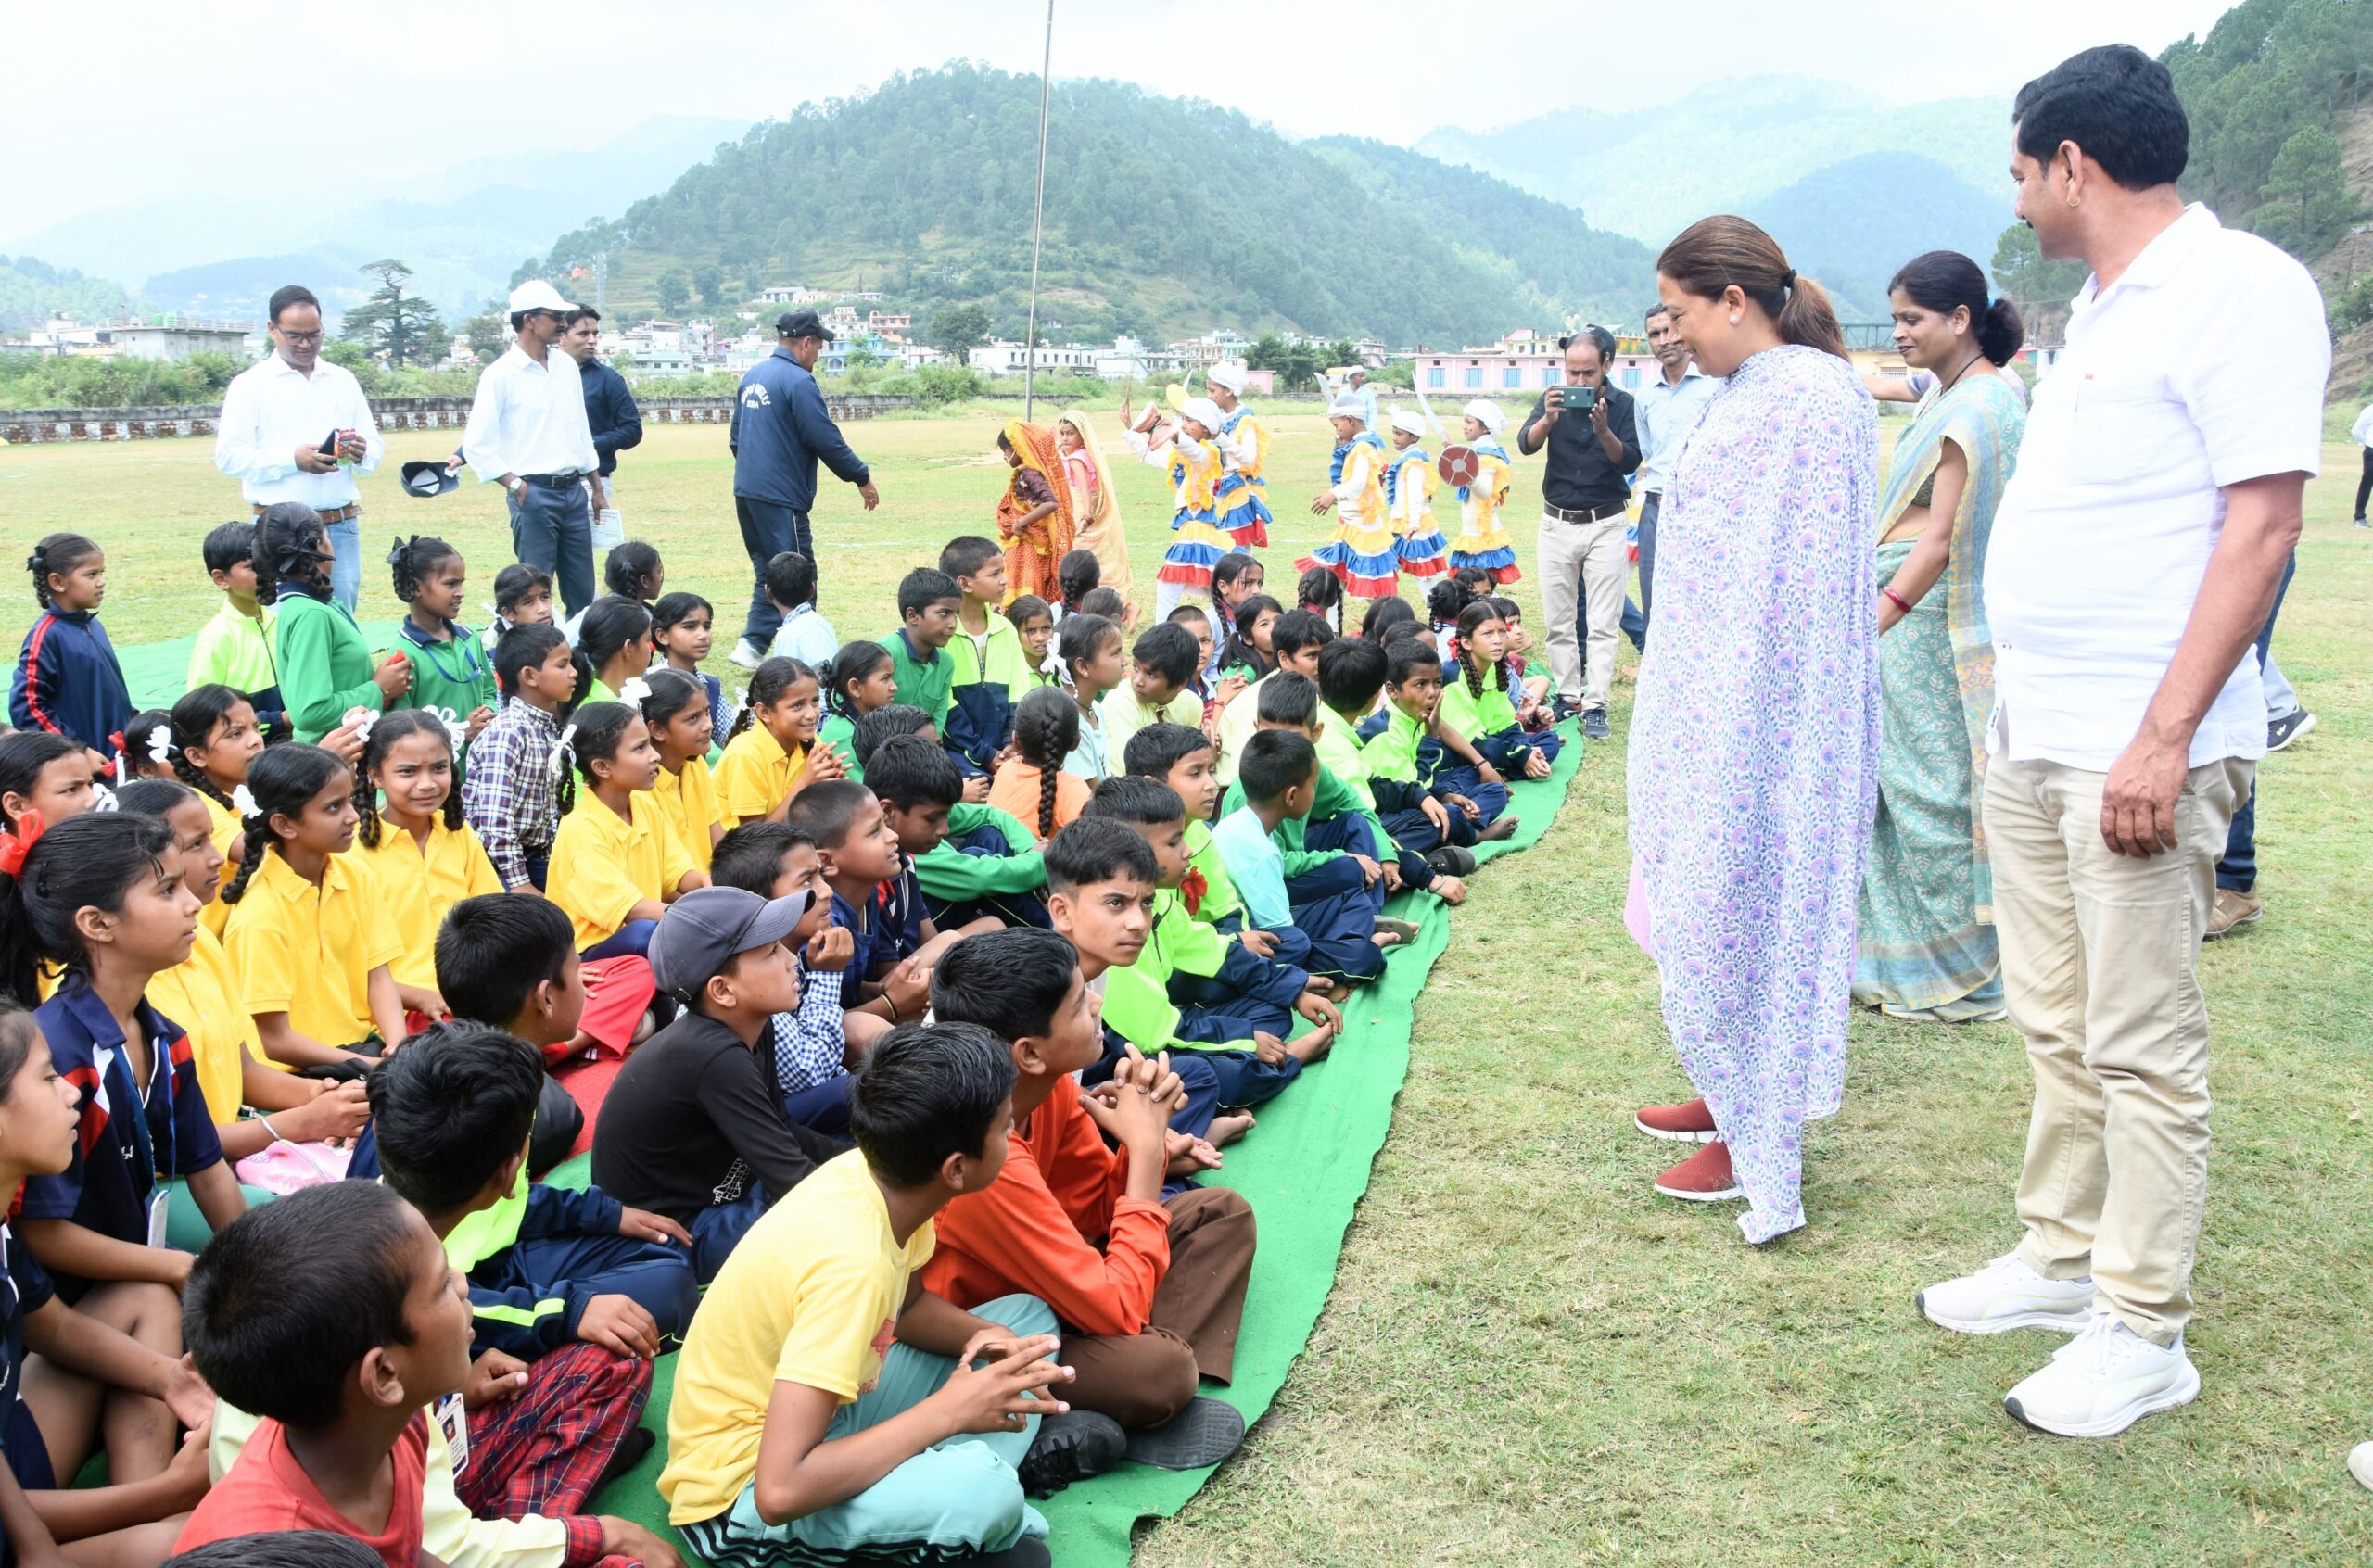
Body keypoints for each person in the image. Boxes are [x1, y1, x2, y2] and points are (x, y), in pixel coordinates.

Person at [1916, 45, 2328, 1438]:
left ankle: (2143, 1326)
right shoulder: (2099, 306)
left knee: (2142, 1038)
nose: (2019, 201)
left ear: (2073, 165)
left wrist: (2164, 740)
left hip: (2137, 744)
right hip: (2038, 727)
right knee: (2053, 1014)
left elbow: (2261, 525)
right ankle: (2059, 1252)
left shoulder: (2244, 290)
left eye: (2024, 173)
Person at [1626, 215, 1878, 1237]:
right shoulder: (1751, 393)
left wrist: (1741, 700)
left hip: (1763, 709)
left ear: (1734, 301)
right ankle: (1729, 1089)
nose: (1675, 335)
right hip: (1709, 692)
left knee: (1748, 903)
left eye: (1682, 313)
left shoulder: (1812, 400)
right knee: (1698, 897)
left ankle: (1757, 1134)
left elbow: (1798, 584)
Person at [659, 1022, 1071, 1568]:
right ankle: (977, 1494)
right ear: (956, 1169)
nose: (1014, 1129)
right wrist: (949, 1412)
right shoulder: (853, 1265)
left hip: (827, 1416)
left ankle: (956, 1487)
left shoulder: (877, 1176)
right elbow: (779, 1492)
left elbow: (914, 1308)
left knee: (1024, 1328)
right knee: (983, 1495)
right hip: (740, 1496)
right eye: (1003, 1126)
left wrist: (989, 1338)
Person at [925, 929, 1254, 1463]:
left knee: (1219, 1214)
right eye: (1080, 1003)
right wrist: (1148, 1155)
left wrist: (1138, 1134)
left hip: (1067, 1285)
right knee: (1158, 1371)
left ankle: (1130, 1382)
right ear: (1028, 1052)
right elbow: (1115, 1311)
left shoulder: (1050, 1086)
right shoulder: (983, 1158)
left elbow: (1096, 1211)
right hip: (998, 1330)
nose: (1098, 1002)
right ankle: (1138, 1384)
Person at [1853, 251, 2027, 1025]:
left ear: (1961, 319)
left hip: (1929, 627)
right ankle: (1909, 959)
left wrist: (1872, 620)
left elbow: (1939, 543)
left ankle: (1971, 976)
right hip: (1909, 624)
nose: (1899, 334)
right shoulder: (1953, 394)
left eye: (1912, 319)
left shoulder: (1979, 406)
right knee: (1899, 790)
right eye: (1894, 318)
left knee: (1935, 797)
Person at [173, 1182, 473, 1563]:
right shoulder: (283, 1550)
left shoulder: (388, 1422)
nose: (462, 1284)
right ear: (383, 1376)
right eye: (443, 1282)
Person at [367, 1022, 697, 1367]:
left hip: (506, 1262)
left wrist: (610, 1216)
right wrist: (568, 1311)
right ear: (508, 1172)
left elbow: (519, 1204)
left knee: (664, 1248)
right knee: (670, 1292)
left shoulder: (398, 1137)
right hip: (484, 1322)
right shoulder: (405, 1277)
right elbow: (468, 1308)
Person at [590, 887, 844, 1280]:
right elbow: (794, 1180)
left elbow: (783, 1131)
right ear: (723, 991)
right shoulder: (714, 1056)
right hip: (680, 1230)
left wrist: (866, 1160)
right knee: (821, 1230)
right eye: (771, 952)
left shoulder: (754, 1026)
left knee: (855, 1150)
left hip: (725, 1189)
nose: (793, 960)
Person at [222, 744, 409, 1072]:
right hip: (298, 1070)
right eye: (334, 807)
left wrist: (398, 1048)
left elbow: (378, 979)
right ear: (285, 825)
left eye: (350, 800)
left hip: (363, 1048)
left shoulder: (355, 875)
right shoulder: (258, 915)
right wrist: (373, 1067)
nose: (353, 815)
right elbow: (277, 1042)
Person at [213, 285, 382, 610]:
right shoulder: (250, 385)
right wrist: (292, 460)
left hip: (338, 524)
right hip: (280, 531)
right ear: (272, 330)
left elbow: (374, 448)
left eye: (313, 334)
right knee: (284, 619)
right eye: (294, 335)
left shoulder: (342, 380)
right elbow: (228, 457)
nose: (305, 344)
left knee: (341, 617)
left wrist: (363, 453)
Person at [730, 309, 880, 667]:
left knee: (770, 570)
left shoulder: (753, 375)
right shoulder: (798, 381)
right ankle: (803, 658)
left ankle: (751, 644)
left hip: (748, 492)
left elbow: (736, 439)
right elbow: (824, 437)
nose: (820, 354)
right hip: (781, 497)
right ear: (806, 343)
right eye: (819, 346)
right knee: (797, 574)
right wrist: (860, 476)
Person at [1517, 325, 1641, 741]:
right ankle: (1568, 696)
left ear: (1607, 364)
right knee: (1559, 619)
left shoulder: (1623, 405)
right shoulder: (1552, 400)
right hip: (1556, 522)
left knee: (1603, 622)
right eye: (1572, 372)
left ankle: (1597, 703)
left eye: (1588, 373)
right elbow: (1526, 444)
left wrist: (1604, 428)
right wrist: (1548, 420)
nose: (1579, 382)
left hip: (1605, 522)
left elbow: (1628, 462)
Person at [463, 281, 602, 617]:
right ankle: (534, 660)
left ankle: (581, 663)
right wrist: (517, 486)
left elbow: (580, 430)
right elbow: (477, 444)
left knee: (582, 589)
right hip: (533, 493)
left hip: (573, 490)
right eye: (555, 315)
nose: (563, 323)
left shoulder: (565, 366)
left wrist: (596, 487)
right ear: (529, 320)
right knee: (534, 592)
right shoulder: (499, 375)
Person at [546, 702, 709, 961]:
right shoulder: (581, 829)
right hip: (591, 954)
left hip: (649, 930)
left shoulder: (644, 804)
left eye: (649, 744)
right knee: (648, 933)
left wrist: (709, 888)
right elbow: (631, 910)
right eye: (640, 748)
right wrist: (698, 919)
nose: (654, 755)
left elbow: (678, 875)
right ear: (602, 767)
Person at [259, 503, 411, 747]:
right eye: (328, 536)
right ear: (319, 545)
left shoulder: (316, 604)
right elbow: (308, 712)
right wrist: (379, 688)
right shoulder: (310, 614)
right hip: (329, 761)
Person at [460, 624, 577, 892]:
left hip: (534, 854)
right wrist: (520, 884)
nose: (574, 672)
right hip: (493, 861)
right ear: (529, 676)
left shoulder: (546, 727)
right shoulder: (509, 733)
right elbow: (494, 824)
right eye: (563, 665)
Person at [1632, 303, 1724, 634]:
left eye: (1670, 330)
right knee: (1654, 596)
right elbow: (1649, 452)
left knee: (1704, 594)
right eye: (1654, 334)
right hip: (1656, 506)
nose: (1664, 340)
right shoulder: (1643, 396)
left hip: (1706, 506)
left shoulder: (1716, 385)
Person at [10, 534, 132, 783]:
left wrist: (132, 719)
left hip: (117, 759)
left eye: (102, 573)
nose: (101, 582)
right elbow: (28, 707)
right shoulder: (47, 636)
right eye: (91, 575)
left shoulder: (93, 625)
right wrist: (78, 750)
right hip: (88, 773)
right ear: (57, 582)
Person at [1126, 396, 1239, 624]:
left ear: (1206, 428)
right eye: (1184, 419)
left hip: (1200, 530)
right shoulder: (1183, 455)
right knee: (1196, 588)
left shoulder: (1211, 453)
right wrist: (1130, 428)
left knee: (1211, 590)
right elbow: (1152, 456)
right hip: (1191, 528)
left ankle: (1233, 629)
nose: (1185, 424)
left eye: (1190, 421)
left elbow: (1195, 454)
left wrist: (1175, 434)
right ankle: (1169, 633)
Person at [383, 536, 497, 752]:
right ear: (417, 587)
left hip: (476, 774)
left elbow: (489, 691)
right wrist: (461, 734)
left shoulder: (469, 639)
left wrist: (486, 714)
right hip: (433, 776)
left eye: (461, 583)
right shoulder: (405, 657)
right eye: (450, 584)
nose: (460, 592)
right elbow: (400, 732)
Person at [185, 521, 286, 739]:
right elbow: (201, 714)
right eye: (253, 566)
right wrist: (278, 721)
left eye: (267, 562)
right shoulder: (216, 637)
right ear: (221, 579)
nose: (266, 572)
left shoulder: (282, 623)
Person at [1301, 398, 1399, 602]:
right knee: (1333, 581)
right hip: (1351, 527)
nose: (1337, 432)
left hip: (1363, 530)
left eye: (1337, 426)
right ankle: (1333, 629)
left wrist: (1334, 494)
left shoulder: (1363, 448)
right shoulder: (1362, 445)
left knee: (1373, 589)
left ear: (1350, 420)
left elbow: (1358, 483)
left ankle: (1388, 627)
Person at [562, 305, 641, 502]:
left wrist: (593, 444)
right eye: (583, 334)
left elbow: (633, 430)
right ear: (561, 335)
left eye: (595, 334)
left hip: (593, 483)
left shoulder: (609, 379)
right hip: (545, 483)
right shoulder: (544, 376)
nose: (592, 340)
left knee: (592, 534)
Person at [995, 423, 1076, 608]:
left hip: (1029, 543)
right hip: (1027, 541)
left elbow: (1051, 503)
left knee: (1026, 584)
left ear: (1017, 448)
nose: (1005, 457)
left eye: (1006, 451)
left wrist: (1021, 521)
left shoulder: (1029, 473)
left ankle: (1024, 612)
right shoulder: (1028, 472)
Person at [1055, 413, 1131, 604]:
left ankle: (1090, 599)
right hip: (1081, 512)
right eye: (1062, 433)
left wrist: (1086, 516)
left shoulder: (1076, 459)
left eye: (1070, 434)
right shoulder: (1080, 454)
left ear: (1082, 435)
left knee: (1081, 556)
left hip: (1082, 514)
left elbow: (1085, 489)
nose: (1065, 438)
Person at [1446, 401, 1519, 586]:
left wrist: (1467, 473)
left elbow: (1485, 492)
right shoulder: (1478, 452)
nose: (1464, 426)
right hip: (1474, 531)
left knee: (1481, 587)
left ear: (1485, 426)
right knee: (1476, 587)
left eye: (1469, 422)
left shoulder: (1486, 456)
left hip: (1482, 535)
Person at [1204, 364, 1272, 550]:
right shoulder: (1217, 417)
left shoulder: (1245, 421)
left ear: (1228, 391)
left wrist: (1221, 438)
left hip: (1238, 492)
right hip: (1217, 489)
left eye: (1212, 390)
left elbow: (1249, 458)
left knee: (1237, 551)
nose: (1209, 395)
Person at [763, 551, 837, 668]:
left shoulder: (787, 637)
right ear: (812, 589)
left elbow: (785, 680)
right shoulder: (823, 624)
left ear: (767, 591)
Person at [2353, 399, 2373, 527]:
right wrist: (2366, 443)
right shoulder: (2369, 411)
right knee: (2367, 483)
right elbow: (2356, 430)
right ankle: (2359, 517)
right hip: (2372, 450)